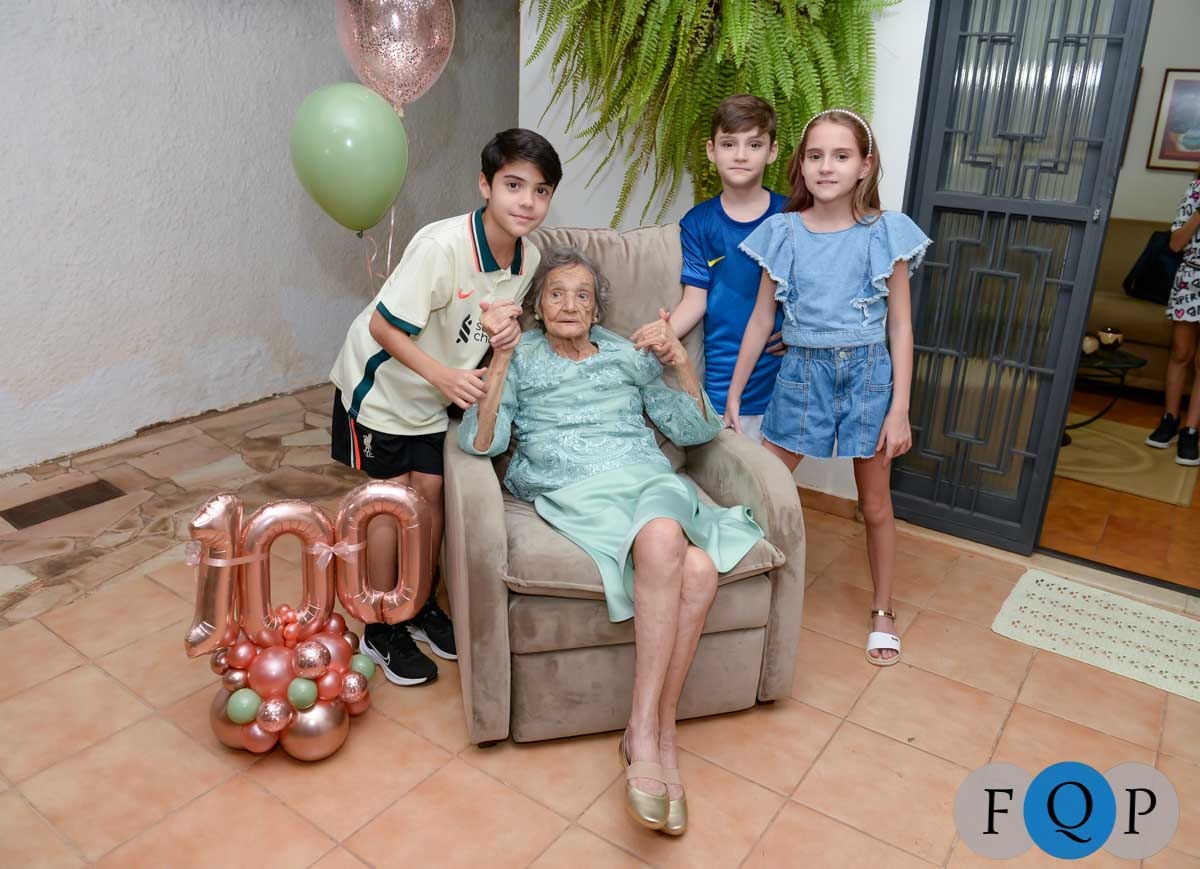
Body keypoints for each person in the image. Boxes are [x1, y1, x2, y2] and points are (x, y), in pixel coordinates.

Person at [458, 246, 763, 836]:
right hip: (578, 491)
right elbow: (481, 443)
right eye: (556, 294)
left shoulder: (628, 354)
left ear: (597, 310)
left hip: (647, 480)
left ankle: (647, 729)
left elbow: (696, 429)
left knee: (663, 532)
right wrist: (500, 358)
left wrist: (679, 361)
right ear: (537, 307)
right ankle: (657, 733)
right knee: (697, 569)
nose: (570, 305)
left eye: (583, 296)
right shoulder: (520, 357)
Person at [328, 129, 562, 685]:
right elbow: (383, 327)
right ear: (484, 185)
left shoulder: (529, 257)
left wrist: (503, 336)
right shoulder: (441, 246)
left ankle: (417, 604)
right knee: (391, 505)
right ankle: (380, 623)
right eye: (513, 185)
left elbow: (486, 324)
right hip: (381, 389)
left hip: (433, 397)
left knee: (429, 498)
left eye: (541, 191)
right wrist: (444, 376)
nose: (527, 202)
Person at [725, 109, 931, 666]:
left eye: (841, 156)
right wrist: (736, 394)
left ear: (865, 165)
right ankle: (738, 590)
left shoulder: (886, 232)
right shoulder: (783, 232)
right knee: (760, 490)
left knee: (876, 504)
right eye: (815, 156)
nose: (826, 167)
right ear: (800, 165)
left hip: (869, 378)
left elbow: (901, 327)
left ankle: (883, 610)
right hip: (801, 376)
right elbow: (762, 319)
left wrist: (900, 409)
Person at [632, 94, 787, 441]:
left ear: (772, 151)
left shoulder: (791, 217)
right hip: (722, 379)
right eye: (729, 144)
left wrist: (798, 334)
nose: (741, 155)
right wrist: (663, 332)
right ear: (711, 150)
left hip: (784, 380)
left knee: (774, 473)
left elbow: (817, 290)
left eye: (754, 144)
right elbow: (695, 300)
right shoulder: (698, 223)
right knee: (730, 467)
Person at [1145, 170, 1200, 465]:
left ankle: (1191, 431)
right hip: (1190, 278)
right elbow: (1176, 244)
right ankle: (1170, 419)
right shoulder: (1196, 188)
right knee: (1180, 353)